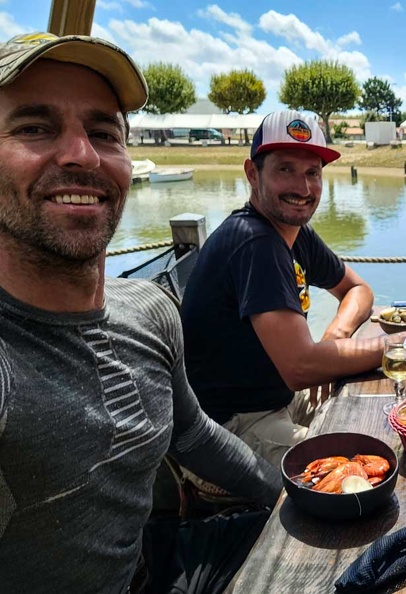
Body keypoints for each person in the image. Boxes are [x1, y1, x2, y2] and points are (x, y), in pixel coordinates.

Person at [0, 32, 282, 593]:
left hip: (157, 563)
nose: (81, 154)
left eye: (104, 132)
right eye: (34, 128)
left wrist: (289, 492)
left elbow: (194, 433)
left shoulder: (150, 311)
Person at [180, 110, 384, 467]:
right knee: (361, 467)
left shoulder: (293, 233)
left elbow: (358, 290)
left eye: (312, 173)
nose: (303, 189)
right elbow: (301, 367)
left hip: (281, 399)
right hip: (232, 425)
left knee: (381, 417)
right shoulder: (254, 242)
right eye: (285, 169)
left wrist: (337, 332)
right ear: (252, 174)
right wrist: (399, 350)